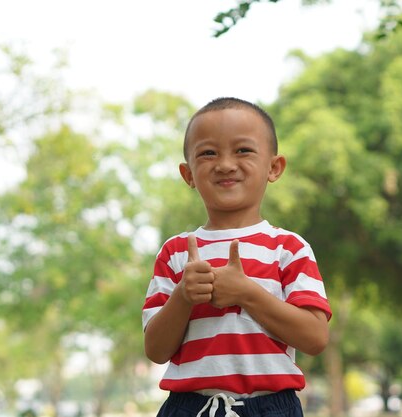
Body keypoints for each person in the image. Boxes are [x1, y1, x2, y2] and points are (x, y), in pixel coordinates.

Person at [142, 97, 332, 417]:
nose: (226, 164)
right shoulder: (175, 252)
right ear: (188, 174)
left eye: (243, 150)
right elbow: (156, 350)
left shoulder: (289, 248)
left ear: (274, 167)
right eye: (208, 153)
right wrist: (183, 297)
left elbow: (314, 338)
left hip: (271, 406)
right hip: (189, 407)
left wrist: (246, 292)